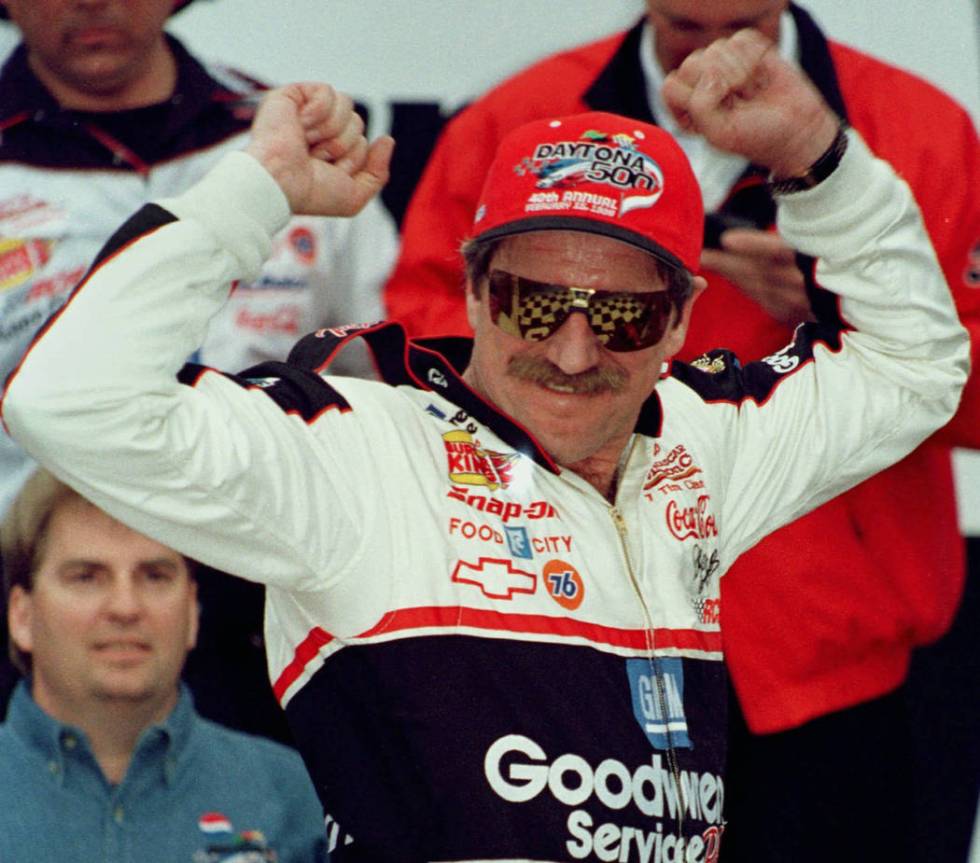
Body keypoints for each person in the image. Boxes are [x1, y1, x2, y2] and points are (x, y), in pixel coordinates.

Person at [1, 30, 970, 863]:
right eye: (533, 301)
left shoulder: (704, 440)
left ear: (680, 323)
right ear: (472, 296)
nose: (571, 348)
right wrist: (254, 193)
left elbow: (913, 370)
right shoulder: (357, 449)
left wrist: (814, 155)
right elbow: (64, 402)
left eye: (622, 314)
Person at [381, 2, 980, 860]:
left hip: (837, 666)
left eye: (740, 22)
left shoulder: (914, 127)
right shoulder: (525, 116)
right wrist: (578, 334)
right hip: (569, 640)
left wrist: (838, 297)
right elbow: (420, 334)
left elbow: (960, 385)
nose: (718, 53)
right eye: (688, 27)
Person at [0, 0, 398, 517]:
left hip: (272, 550)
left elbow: (390, 375)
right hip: (32, 560)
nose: (90, 1)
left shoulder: (282, 140)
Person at [0, 469, 327, 862]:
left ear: (192, 611)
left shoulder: (293, 797)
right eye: (86, 577)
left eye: (155, 576)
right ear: (21, 615)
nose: (125, 607)